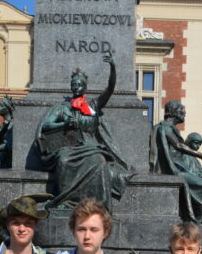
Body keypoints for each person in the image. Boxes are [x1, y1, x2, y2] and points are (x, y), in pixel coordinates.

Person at [36, 53, 131, 209]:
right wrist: (64, 124)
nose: (76, 87)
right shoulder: (62, 108)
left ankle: (97, 206)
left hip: (90, 146)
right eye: (73, 84)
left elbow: (110, 88)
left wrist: (113, 68)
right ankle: (65, 201)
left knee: (100, 161)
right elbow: (46, 126)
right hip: (68, 146)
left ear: (85, 87)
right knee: (64, 161)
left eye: (79, 84)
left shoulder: (93, 106)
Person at [148, 101, 202, 228]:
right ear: (171, 112)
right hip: (173, 171)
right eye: (181, 110)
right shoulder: (165, 127)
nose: (184, 113)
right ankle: (201, 221)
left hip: (178, 169)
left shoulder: (169, 128)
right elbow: (179, 145)